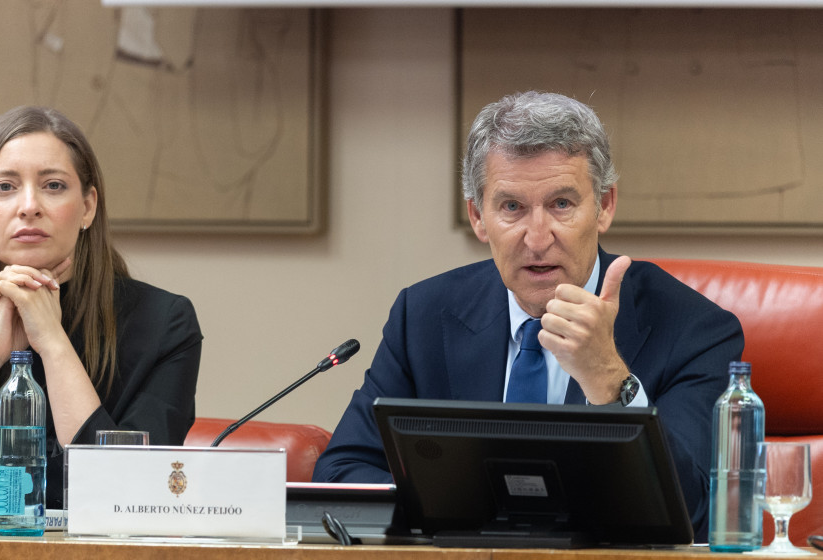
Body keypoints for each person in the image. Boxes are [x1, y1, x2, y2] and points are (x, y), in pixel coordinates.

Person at [311, 91, 743, 541]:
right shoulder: (423, 316)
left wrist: (610, 382)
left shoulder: (694, 330)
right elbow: (341, 473)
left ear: (605, 206)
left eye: (561, 204)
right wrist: (456, 507)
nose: (537, 239)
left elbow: (698, 513)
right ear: (478, 217)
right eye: (512, 207)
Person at [0, 106, 202, 509]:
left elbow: (135, 498)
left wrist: (53, 344)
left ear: (88, 206)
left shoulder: (165, 322)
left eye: (53, 185)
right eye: (5, 187)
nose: (29, 206)